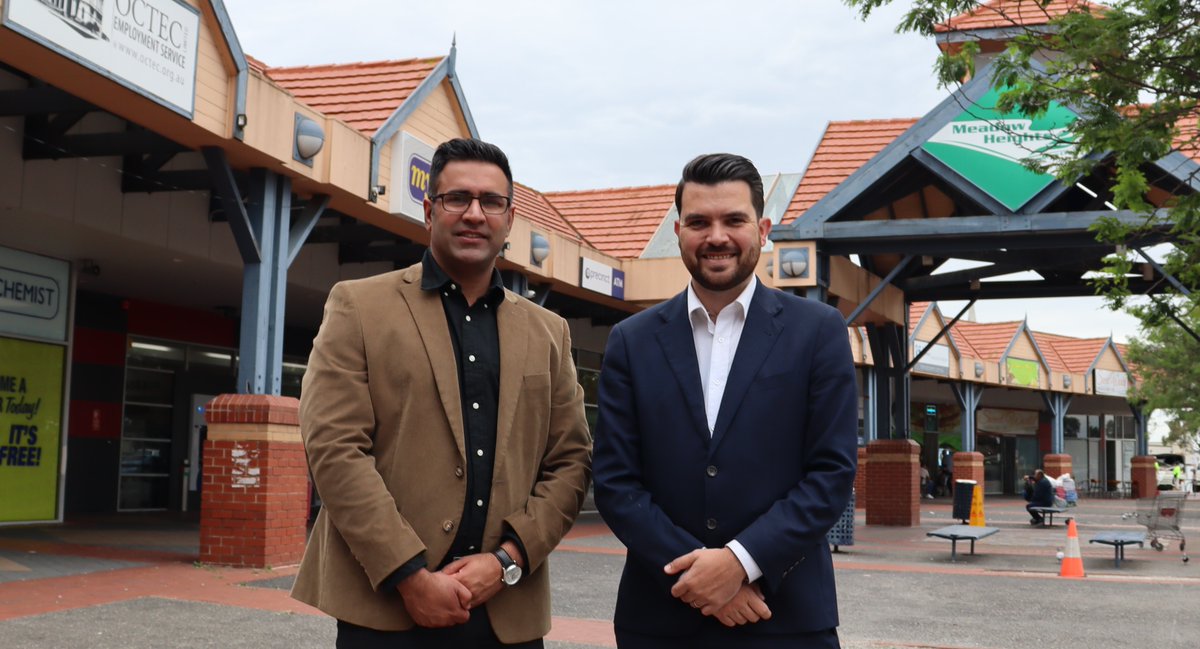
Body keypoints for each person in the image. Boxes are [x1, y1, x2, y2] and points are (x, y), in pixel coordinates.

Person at [291, 138, 592, 648]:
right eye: (458, 198)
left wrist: (508, 562)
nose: (475, 214)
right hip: (386, 608)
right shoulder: (359, 308)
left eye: (491, 202)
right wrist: (409, 576)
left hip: (505, 613)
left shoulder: (549, 332)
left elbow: (571, 462)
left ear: (510, 219)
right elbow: (335, 449)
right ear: (429, 210)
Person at [593, 153, 858, 648]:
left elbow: (831, 473)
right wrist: (703, 581)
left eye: (733, 220)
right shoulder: (632, 340)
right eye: (699, 222)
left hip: (784, 617)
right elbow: (615, 483)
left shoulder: (818, 332)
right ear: (678, 232)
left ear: (763, 228)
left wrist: (740, 561)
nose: (716, 236)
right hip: (661, 617)